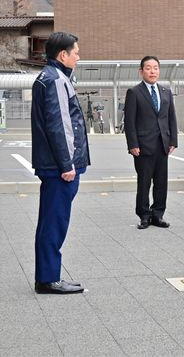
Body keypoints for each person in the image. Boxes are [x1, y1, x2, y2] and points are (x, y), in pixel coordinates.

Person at [31, 32, 90, 294]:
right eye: (75, 52)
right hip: (59, 168)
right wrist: (67, 164)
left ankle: (47, 275)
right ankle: (49, 279)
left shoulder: (51, 77)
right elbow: (60, 125)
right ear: (63, 55)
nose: (78, 56)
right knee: (54, 222)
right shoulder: (55, 80)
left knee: (49, 222)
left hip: (53, 165)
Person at [124, 56, 178, 229]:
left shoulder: (166, 92)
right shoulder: (134, 92)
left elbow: (171, 118)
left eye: (155, 68)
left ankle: (158, 214)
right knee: (144, 182)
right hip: (143, 146)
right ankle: (144, 215)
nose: (152, 71)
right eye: (148, 68)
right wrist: (132, 144)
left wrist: (173, 140)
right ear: (141, 71)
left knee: (161, 183)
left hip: (163, 144)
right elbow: (129, 122)